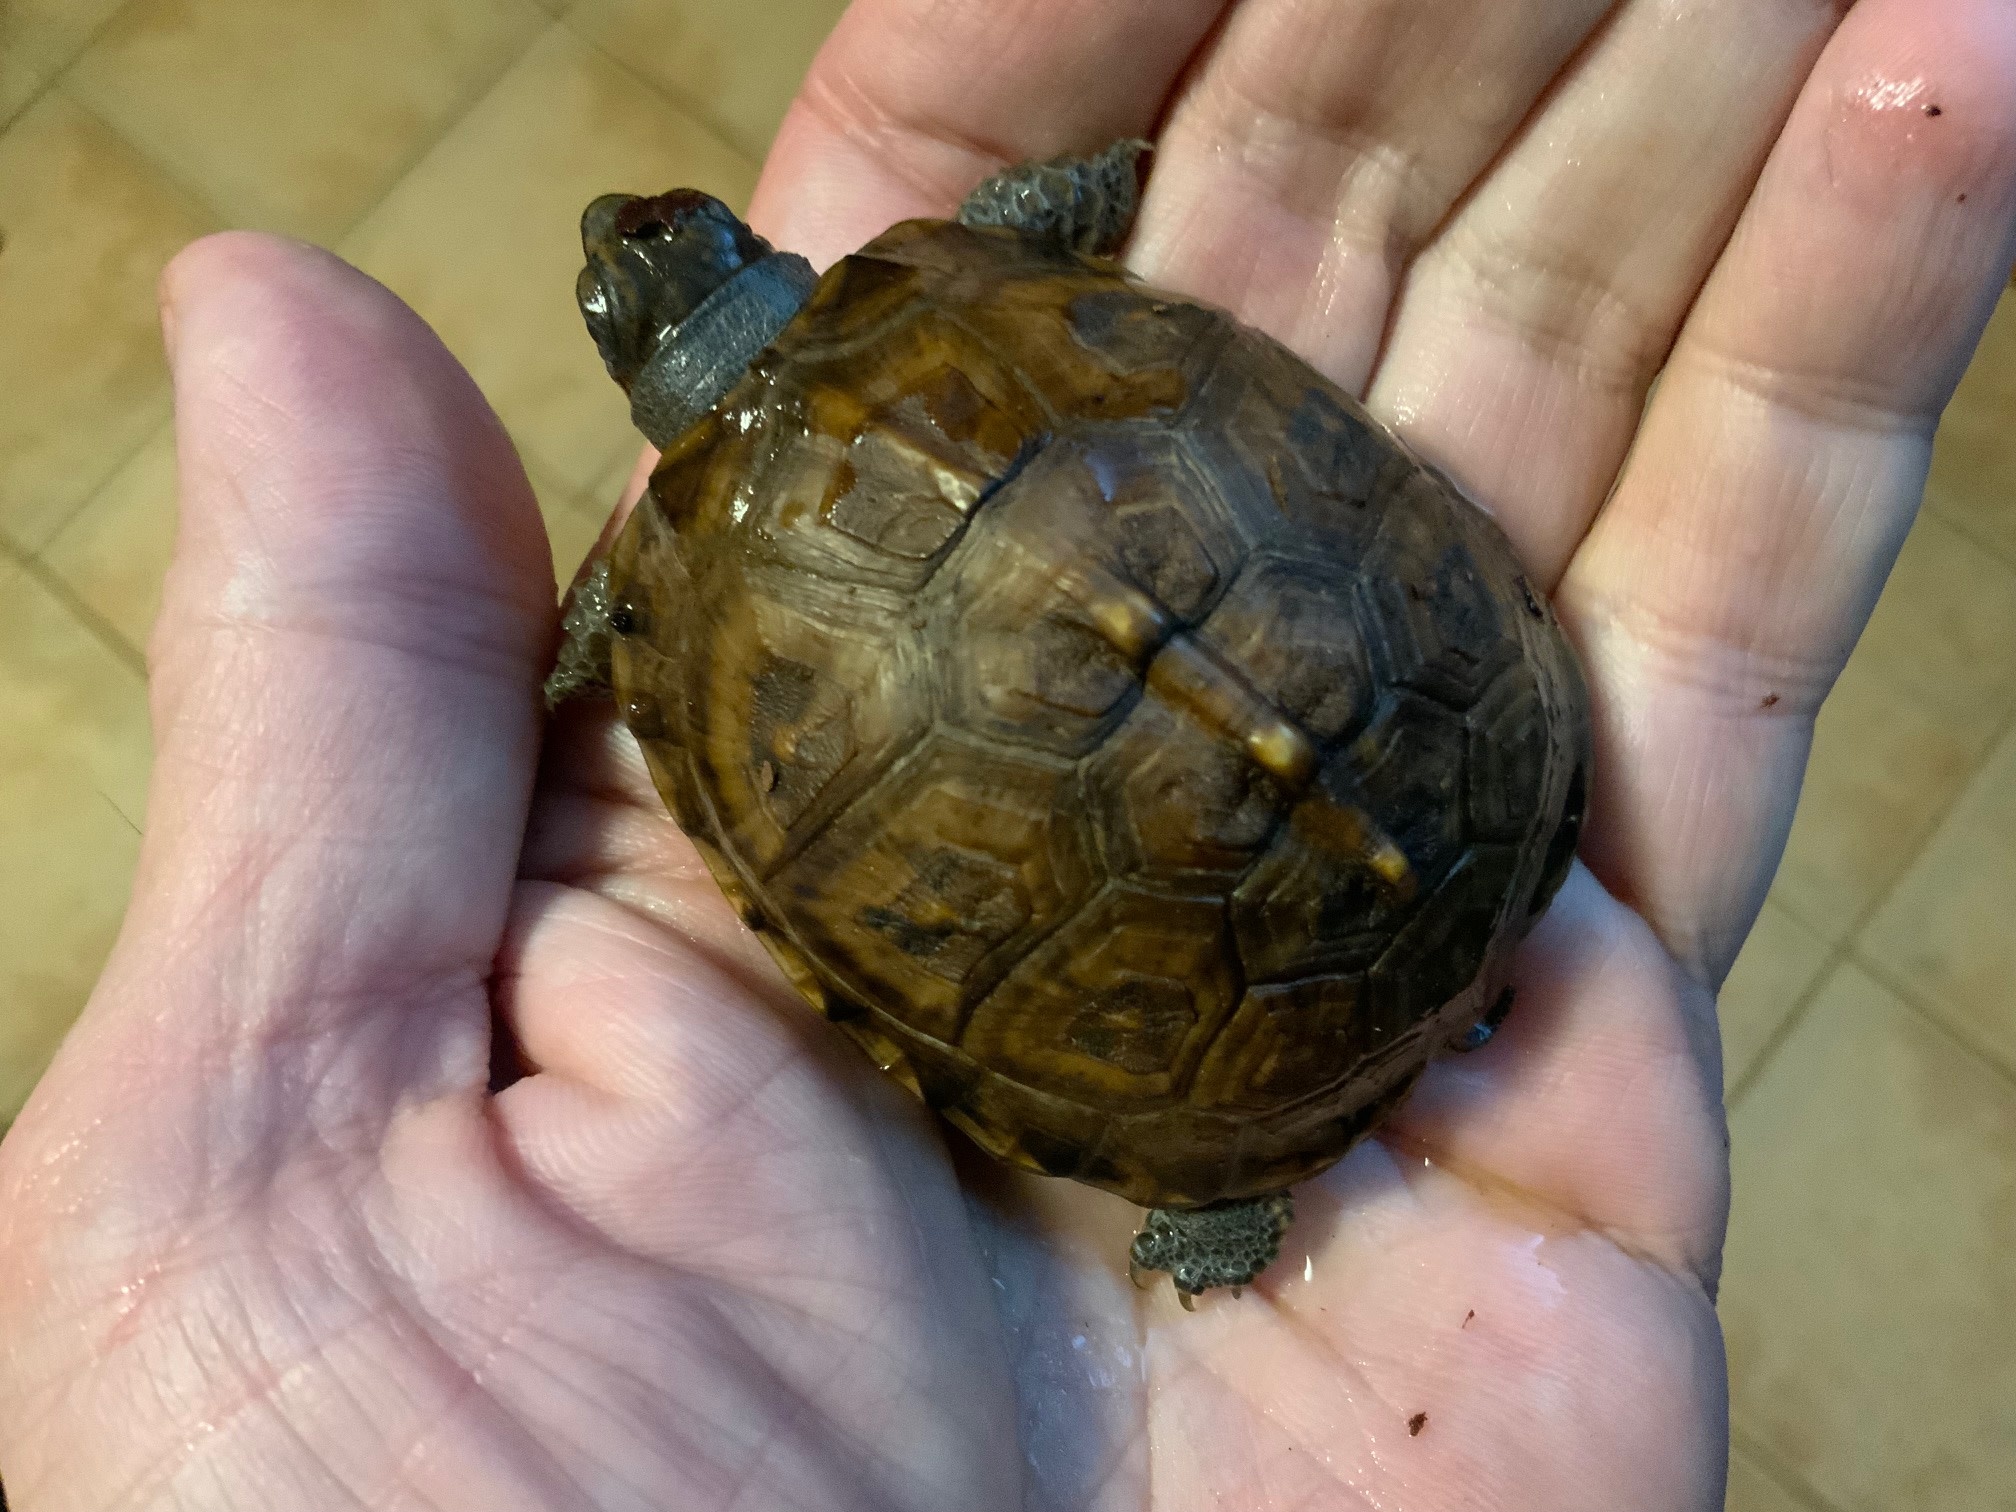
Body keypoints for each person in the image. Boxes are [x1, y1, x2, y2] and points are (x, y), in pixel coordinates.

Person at [1, 0, 2009, 1507]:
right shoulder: (954, 270)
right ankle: (1280, 1110)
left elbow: (594, 683)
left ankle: (1226, 1181)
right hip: (1474, 752)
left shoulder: (670, 619)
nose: (631, 242)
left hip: (1210, 1057)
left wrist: (579, 652)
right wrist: (1075, 206)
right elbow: (1070, 216)